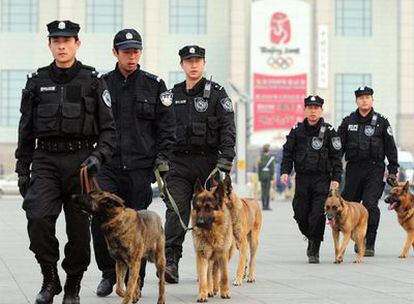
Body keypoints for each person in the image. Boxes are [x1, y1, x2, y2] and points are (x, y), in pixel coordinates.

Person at [15, 20, 116, 304]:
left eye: (67, 40)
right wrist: (23, 169)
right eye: (56, 40)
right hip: (45, 159)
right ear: (49, 45)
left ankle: (73, 286)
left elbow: (109, 130)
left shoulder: (93, 80)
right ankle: (50, 278)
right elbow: (26, 129)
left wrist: (98, 157)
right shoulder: (37, 81)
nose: (62, 45)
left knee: (79, 232)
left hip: (81, 163)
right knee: (37, 218)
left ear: (77, 44)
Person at [92, 28, 175, 297]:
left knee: (138, 225)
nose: (132, 55)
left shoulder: (154, 85)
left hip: (139, 169)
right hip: (108, 166)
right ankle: (108, 274)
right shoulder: (102, 84)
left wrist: (162, 160)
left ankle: (135, 281)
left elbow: (166, 128)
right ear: (115, 53)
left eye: (136, 51)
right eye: (126, 51)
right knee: (101, 220)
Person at [163, 45, 236, 283]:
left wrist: (225, 160)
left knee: (213, 211)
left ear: (204, 63)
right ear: (181, 65)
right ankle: (171, 260)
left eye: (198, 60)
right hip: (179, 163)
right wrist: (160, 159)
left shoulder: (217, 93)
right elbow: (160, 129)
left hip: (209, 164)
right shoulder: (171, 95)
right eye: (188, 61)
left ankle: (214, 260)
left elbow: (228, 127)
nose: (193, 65)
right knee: (176, 211)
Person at [280, 95, 343, 263]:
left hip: (322, 179)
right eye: (310, 108)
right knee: (299, 212)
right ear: (305, 110)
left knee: (317, 213)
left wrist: (336, 178)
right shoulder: (297, 130)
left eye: (316, 108)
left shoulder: (329, 131)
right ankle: (310, 235)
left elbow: (336, 157)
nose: (313, 111)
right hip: (302, 179)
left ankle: (314, 247)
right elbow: (287, 152)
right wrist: (285, 171)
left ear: (321, 110)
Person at [337, 86, 399, 257]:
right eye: (361, 97)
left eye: (367, 97)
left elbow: (390, 148)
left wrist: (393, 169)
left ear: (372, 100)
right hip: (354, 169)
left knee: (370, 204)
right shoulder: (348, 122)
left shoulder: (381, 122)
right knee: (349, 204)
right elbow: (338, 149)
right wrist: (334, 169)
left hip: (375, 169)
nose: (364, 100)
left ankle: (369, 240)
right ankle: (357, 237)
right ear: (356, 101)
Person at [258, 144, 275, 210]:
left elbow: (259, 169)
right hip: (268, 176)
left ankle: (263, 206)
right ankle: (267, 206)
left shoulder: (260, 158)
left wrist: (259, 176)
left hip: (262, 176)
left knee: (263, 191)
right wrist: (271, 176)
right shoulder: (270, 158)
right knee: (267, 191)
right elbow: (272, 169)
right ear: (268, 150)